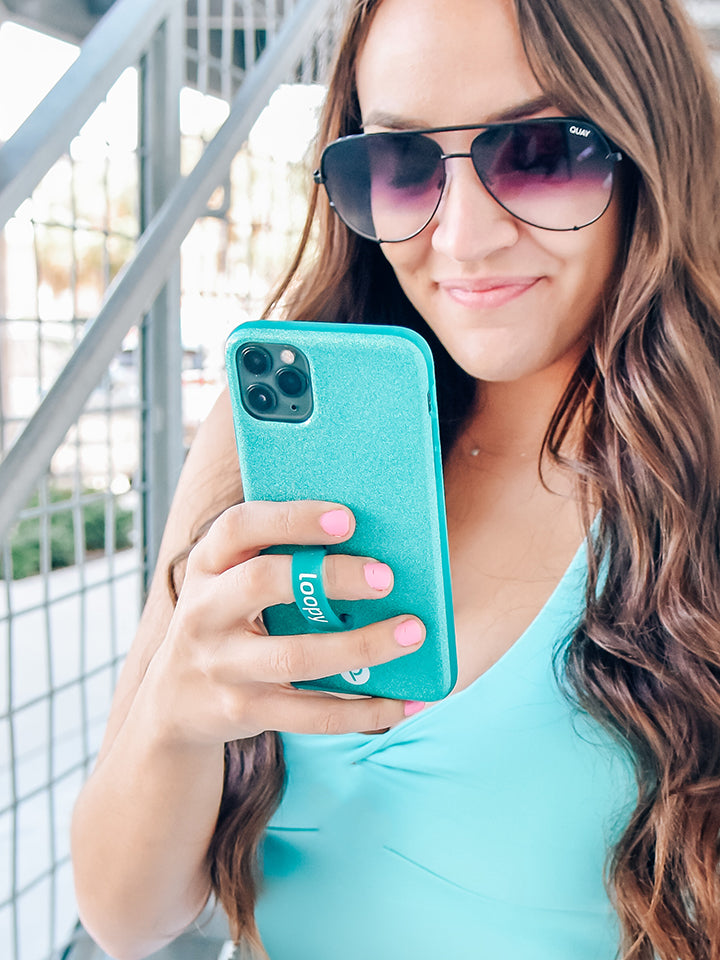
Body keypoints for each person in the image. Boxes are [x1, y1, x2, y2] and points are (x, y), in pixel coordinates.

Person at [70, 0, 720, 957]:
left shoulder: (694, 475)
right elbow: (127, 919)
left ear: (648, 149)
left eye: (540, 152)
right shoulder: (257, 447)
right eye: (403, 165)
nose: (462, 239)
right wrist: (173, 717)